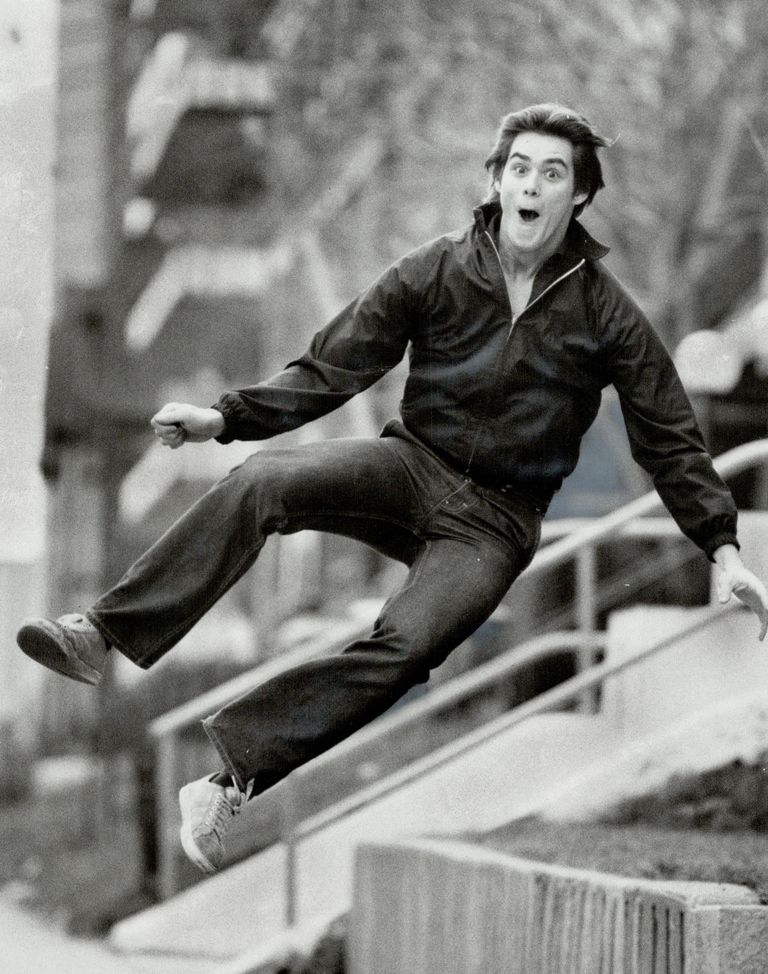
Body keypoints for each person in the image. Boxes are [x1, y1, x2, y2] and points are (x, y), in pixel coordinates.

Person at [18, 104, 768, 874]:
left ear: (577, 196)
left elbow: (670, 435)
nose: (531, 186)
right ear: (496, 180)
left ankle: (227, 781)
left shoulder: (606, 313)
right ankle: (99, 633)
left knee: (408, 645)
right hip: (410, 467)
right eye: (519, 169)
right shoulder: (436, 268)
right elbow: (333, 365)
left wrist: (723, 548)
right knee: (265, 480)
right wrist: (226, 418)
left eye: (552, 174)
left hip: (495, 523)